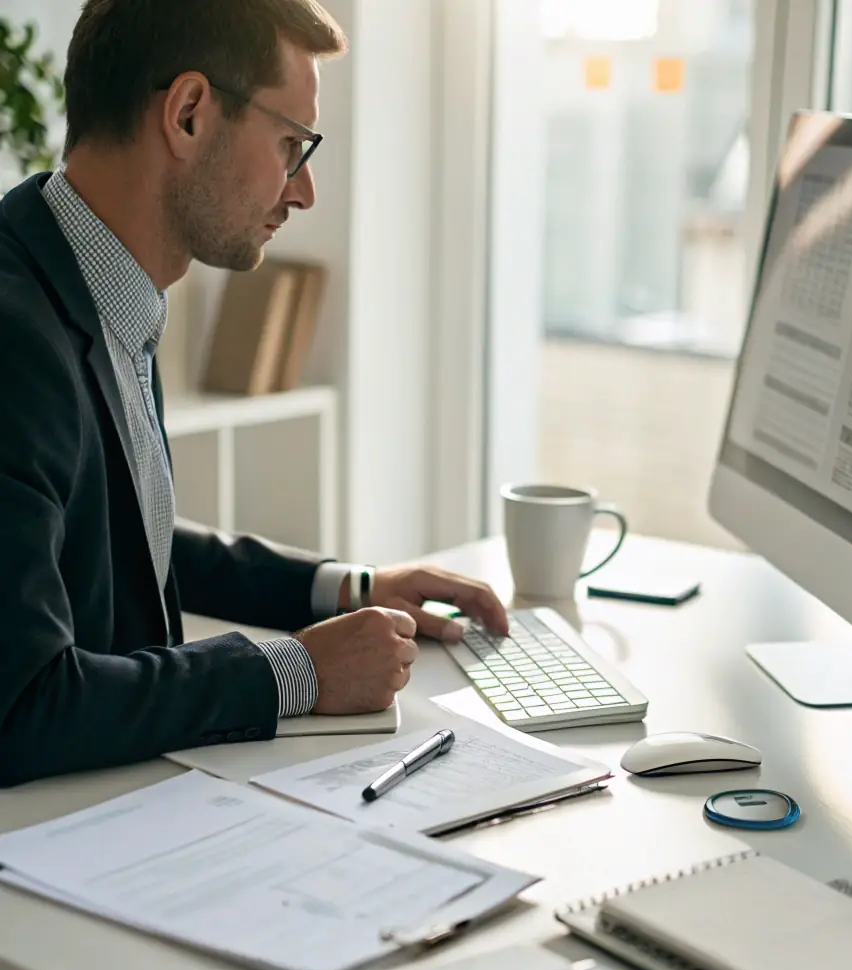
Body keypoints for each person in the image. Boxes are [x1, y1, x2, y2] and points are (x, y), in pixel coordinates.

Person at [0, 0, 508, 788]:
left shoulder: (89, 279)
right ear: (191, 113)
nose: (302, 192)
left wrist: (351, 585)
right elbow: (21, 705)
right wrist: (297, 672)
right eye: (290, 146)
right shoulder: (13, 334)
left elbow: (116, 533)